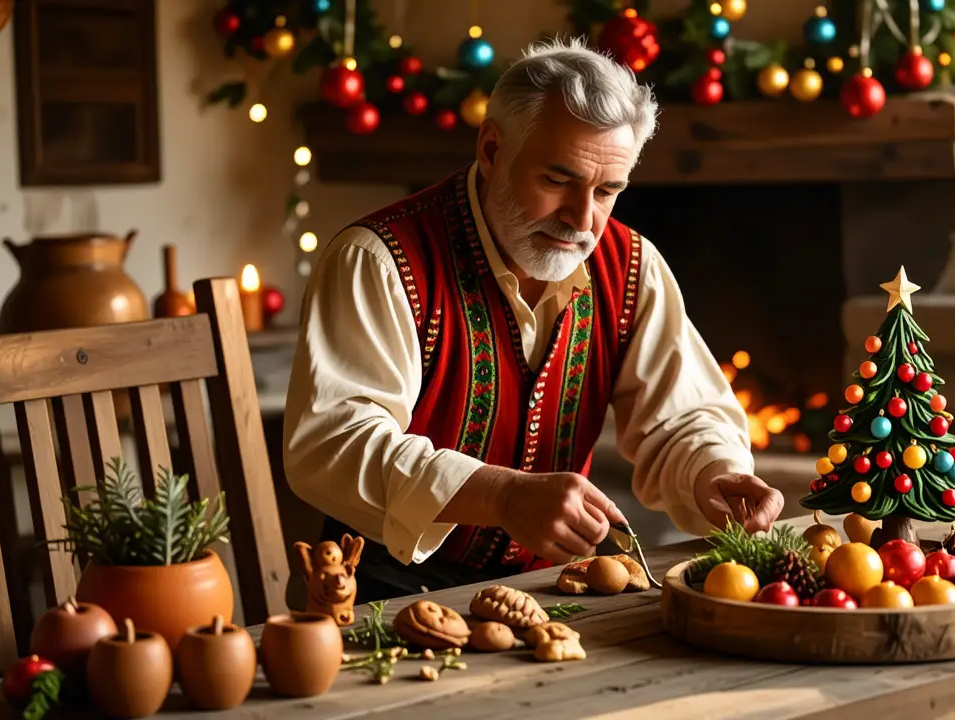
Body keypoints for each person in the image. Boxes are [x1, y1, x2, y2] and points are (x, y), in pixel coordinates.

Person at [283, 36, 785, 603]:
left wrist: (714, 472)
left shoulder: (632, 266)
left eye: (607, 190)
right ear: (492, 149)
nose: (582, 219)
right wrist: (500, 495)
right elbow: (333, 443)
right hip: (374, 594)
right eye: (558, 180)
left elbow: (681, 418)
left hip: (550, 594)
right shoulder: (379, 260)